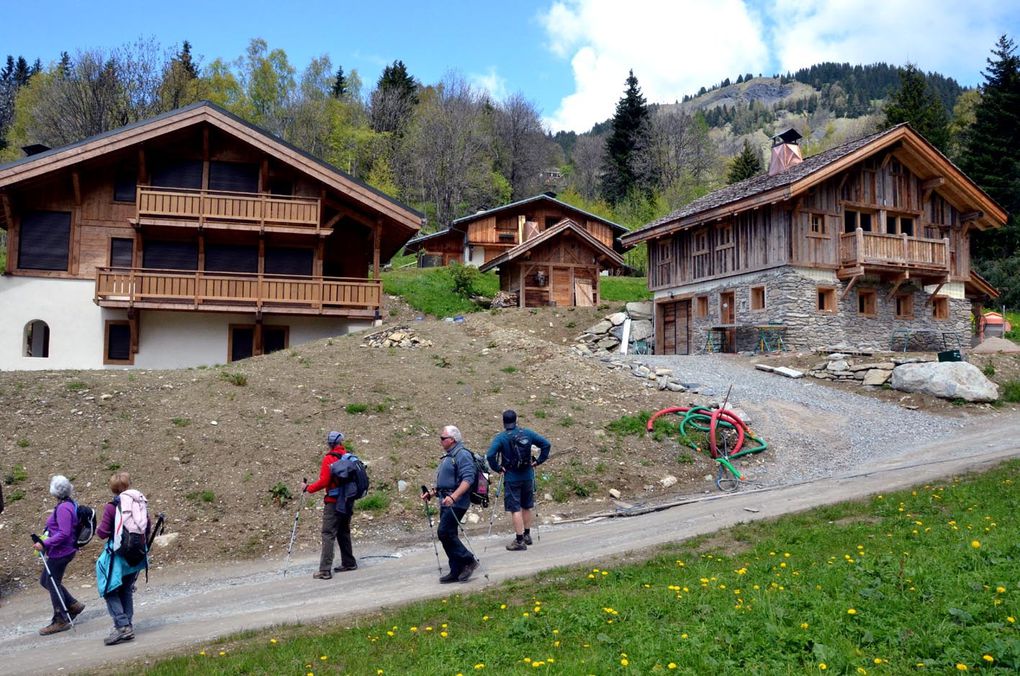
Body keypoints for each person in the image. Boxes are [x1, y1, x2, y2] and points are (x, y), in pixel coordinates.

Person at [96, 471, 150, 646]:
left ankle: (122, 626)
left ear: (113, 489)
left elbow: (102, 533)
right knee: (126, 589)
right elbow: (147, 526)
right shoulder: (140, 503)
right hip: (136, 554)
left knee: (109, 590)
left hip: (118, 554)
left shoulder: (112, 507)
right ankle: (127, 624)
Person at [420, 425, 479, 583]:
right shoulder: (449, 455)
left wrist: (453, 497)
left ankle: (468, 560)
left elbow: (468, 479)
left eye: (442, 438)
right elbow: (446, 482)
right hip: (446, 500)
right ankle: (456, 569)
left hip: (457, 502)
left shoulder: (462, 455)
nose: (440, 441)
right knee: (448, 534)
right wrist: (432, 493)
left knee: (444, 532)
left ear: (452, 440)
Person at [486, 410, 551, 551]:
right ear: (516, 420)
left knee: (515, 508)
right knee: (527, 506)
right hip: (528, 475)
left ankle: (519, 540)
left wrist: (498, 468)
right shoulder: (527, 433)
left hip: (511, 477)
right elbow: (546, 444)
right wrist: (538, 461)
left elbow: (490, 455)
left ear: (503, 422)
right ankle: (527, 535)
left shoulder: (501, 437)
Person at [34, 475, 85, 635]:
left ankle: (60, 619)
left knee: (52, 582)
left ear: (54, 491)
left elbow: (64, 533)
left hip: (61, 551)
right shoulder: (68, 504)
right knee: (46, 580)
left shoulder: (63, 508)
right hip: (62, 550)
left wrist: (44, 543)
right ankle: (72, 605)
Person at [303, 430, 357, 579]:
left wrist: (309, 488)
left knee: (328, 534)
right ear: (341, 443)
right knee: (343, 531)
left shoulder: (329, 459)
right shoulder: (348, 457)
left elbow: (324, 481)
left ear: (329, 444)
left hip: (333, 502)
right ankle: (349, 562)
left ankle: (325, 570)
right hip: (348, 501)